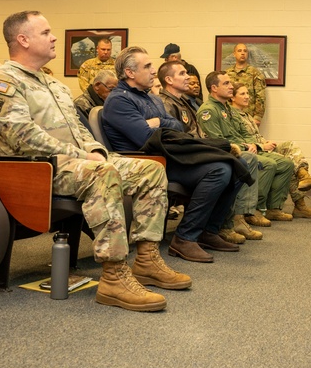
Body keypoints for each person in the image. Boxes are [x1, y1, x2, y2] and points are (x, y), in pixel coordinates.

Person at [0, 10, 191, 312]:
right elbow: (22, 138)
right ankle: (114, 277)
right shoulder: (2, 82)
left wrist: (95, 149)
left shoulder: (53, 85)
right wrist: (85, 156)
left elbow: (79, 129)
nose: (54, 37)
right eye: (45, 32)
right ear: (23, 40)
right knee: (101, 172)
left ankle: (146, 260)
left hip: (75, 163)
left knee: (151, 169)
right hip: (35, 169)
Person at [102, 47, 252, 262]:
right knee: (220, 170)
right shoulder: (119, 100)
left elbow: (177, 127)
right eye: (147, 66)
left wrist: (158, 122)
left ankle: (208, 231)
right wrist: (163, 126)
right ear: (130, 72)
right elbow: (145, 137)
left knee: (237, 166)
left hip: (169, 155)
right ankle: (184, 237)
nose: (154, 71)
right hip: (147, 161)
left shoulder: (151, 99)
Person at [157, 60, 263, 241]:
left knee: (239, 164)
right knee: (227, 168)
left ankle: (212, 228)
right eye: (182, 74)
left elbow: (199, 135)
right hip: (181, 159)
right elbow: (176, 141)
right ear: (169, 80)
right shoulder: (165, 104)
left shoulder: (185, 102)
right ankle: (192, 232)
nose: (188, 77)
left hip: (194, 153)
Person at [198, 71, 294, 225]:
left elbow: (240, 134)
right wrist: (247, 146)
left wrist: (255, 144)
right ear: (214, 88)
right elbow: (219, 142)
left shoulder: (226, 109)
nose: (231, 86)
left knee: (286, 163)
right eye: (226, 83)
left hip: (241, 147)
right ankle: (250, 211)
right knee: (267, 164)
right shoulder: (208, 111)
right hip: (225, 153)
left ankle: (273, 208)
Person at [231, 84, 311, 219]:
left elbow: (253, 136)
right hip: (254, 150)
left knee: (290, 145)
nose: (247, 96)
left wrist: (265, 142)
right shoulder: (232, 115)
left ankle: (303, 175)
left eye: (247, 93)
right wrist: (261, 145)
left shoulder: (246, 115)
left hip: (261, 145)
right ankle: (300, 201)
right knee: (289, 162)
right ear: (232, 97)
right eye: (242, 94)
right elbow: (241, 139)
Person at [225, 43, 266, 125]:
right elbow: (223, 94)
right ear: (234, 54)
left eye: (245, 51)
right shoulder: (227, 74)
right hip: (229, 117)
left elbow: (260, 96)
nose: (242, 53)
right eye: (239, 51)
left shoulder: (255, 73)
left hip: (248, 118)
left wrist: (257, 117)